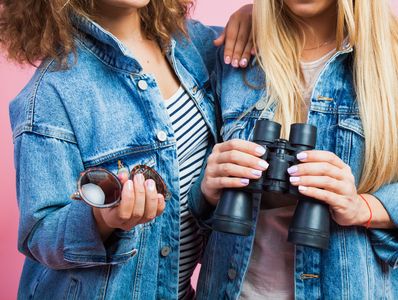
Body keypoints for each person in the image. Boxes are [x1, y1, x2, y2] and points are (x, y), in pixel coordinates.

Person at [197, 0, 398, 299]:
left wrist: (362, 207)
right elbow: (191, 180)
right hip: (233, 289)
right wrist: (207, 192)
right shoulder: (237, 53)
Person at [1, 0, 254, 299]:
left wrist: (256, 14)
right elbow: (38, 236)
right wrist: (102, 220)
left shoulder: (195, 44)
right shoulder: (50, 93)